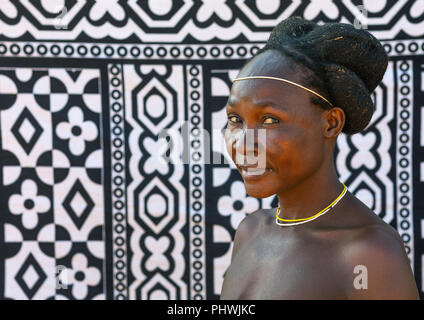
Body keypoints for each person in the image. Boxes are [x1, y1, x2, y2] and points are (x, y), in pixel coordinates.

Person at [220, 16, 419, 300]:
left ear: (331, 124)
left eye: (269, 120)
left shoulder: (367, 254)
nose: (243, 144)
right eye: (236, 119)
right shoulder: (250, 232)